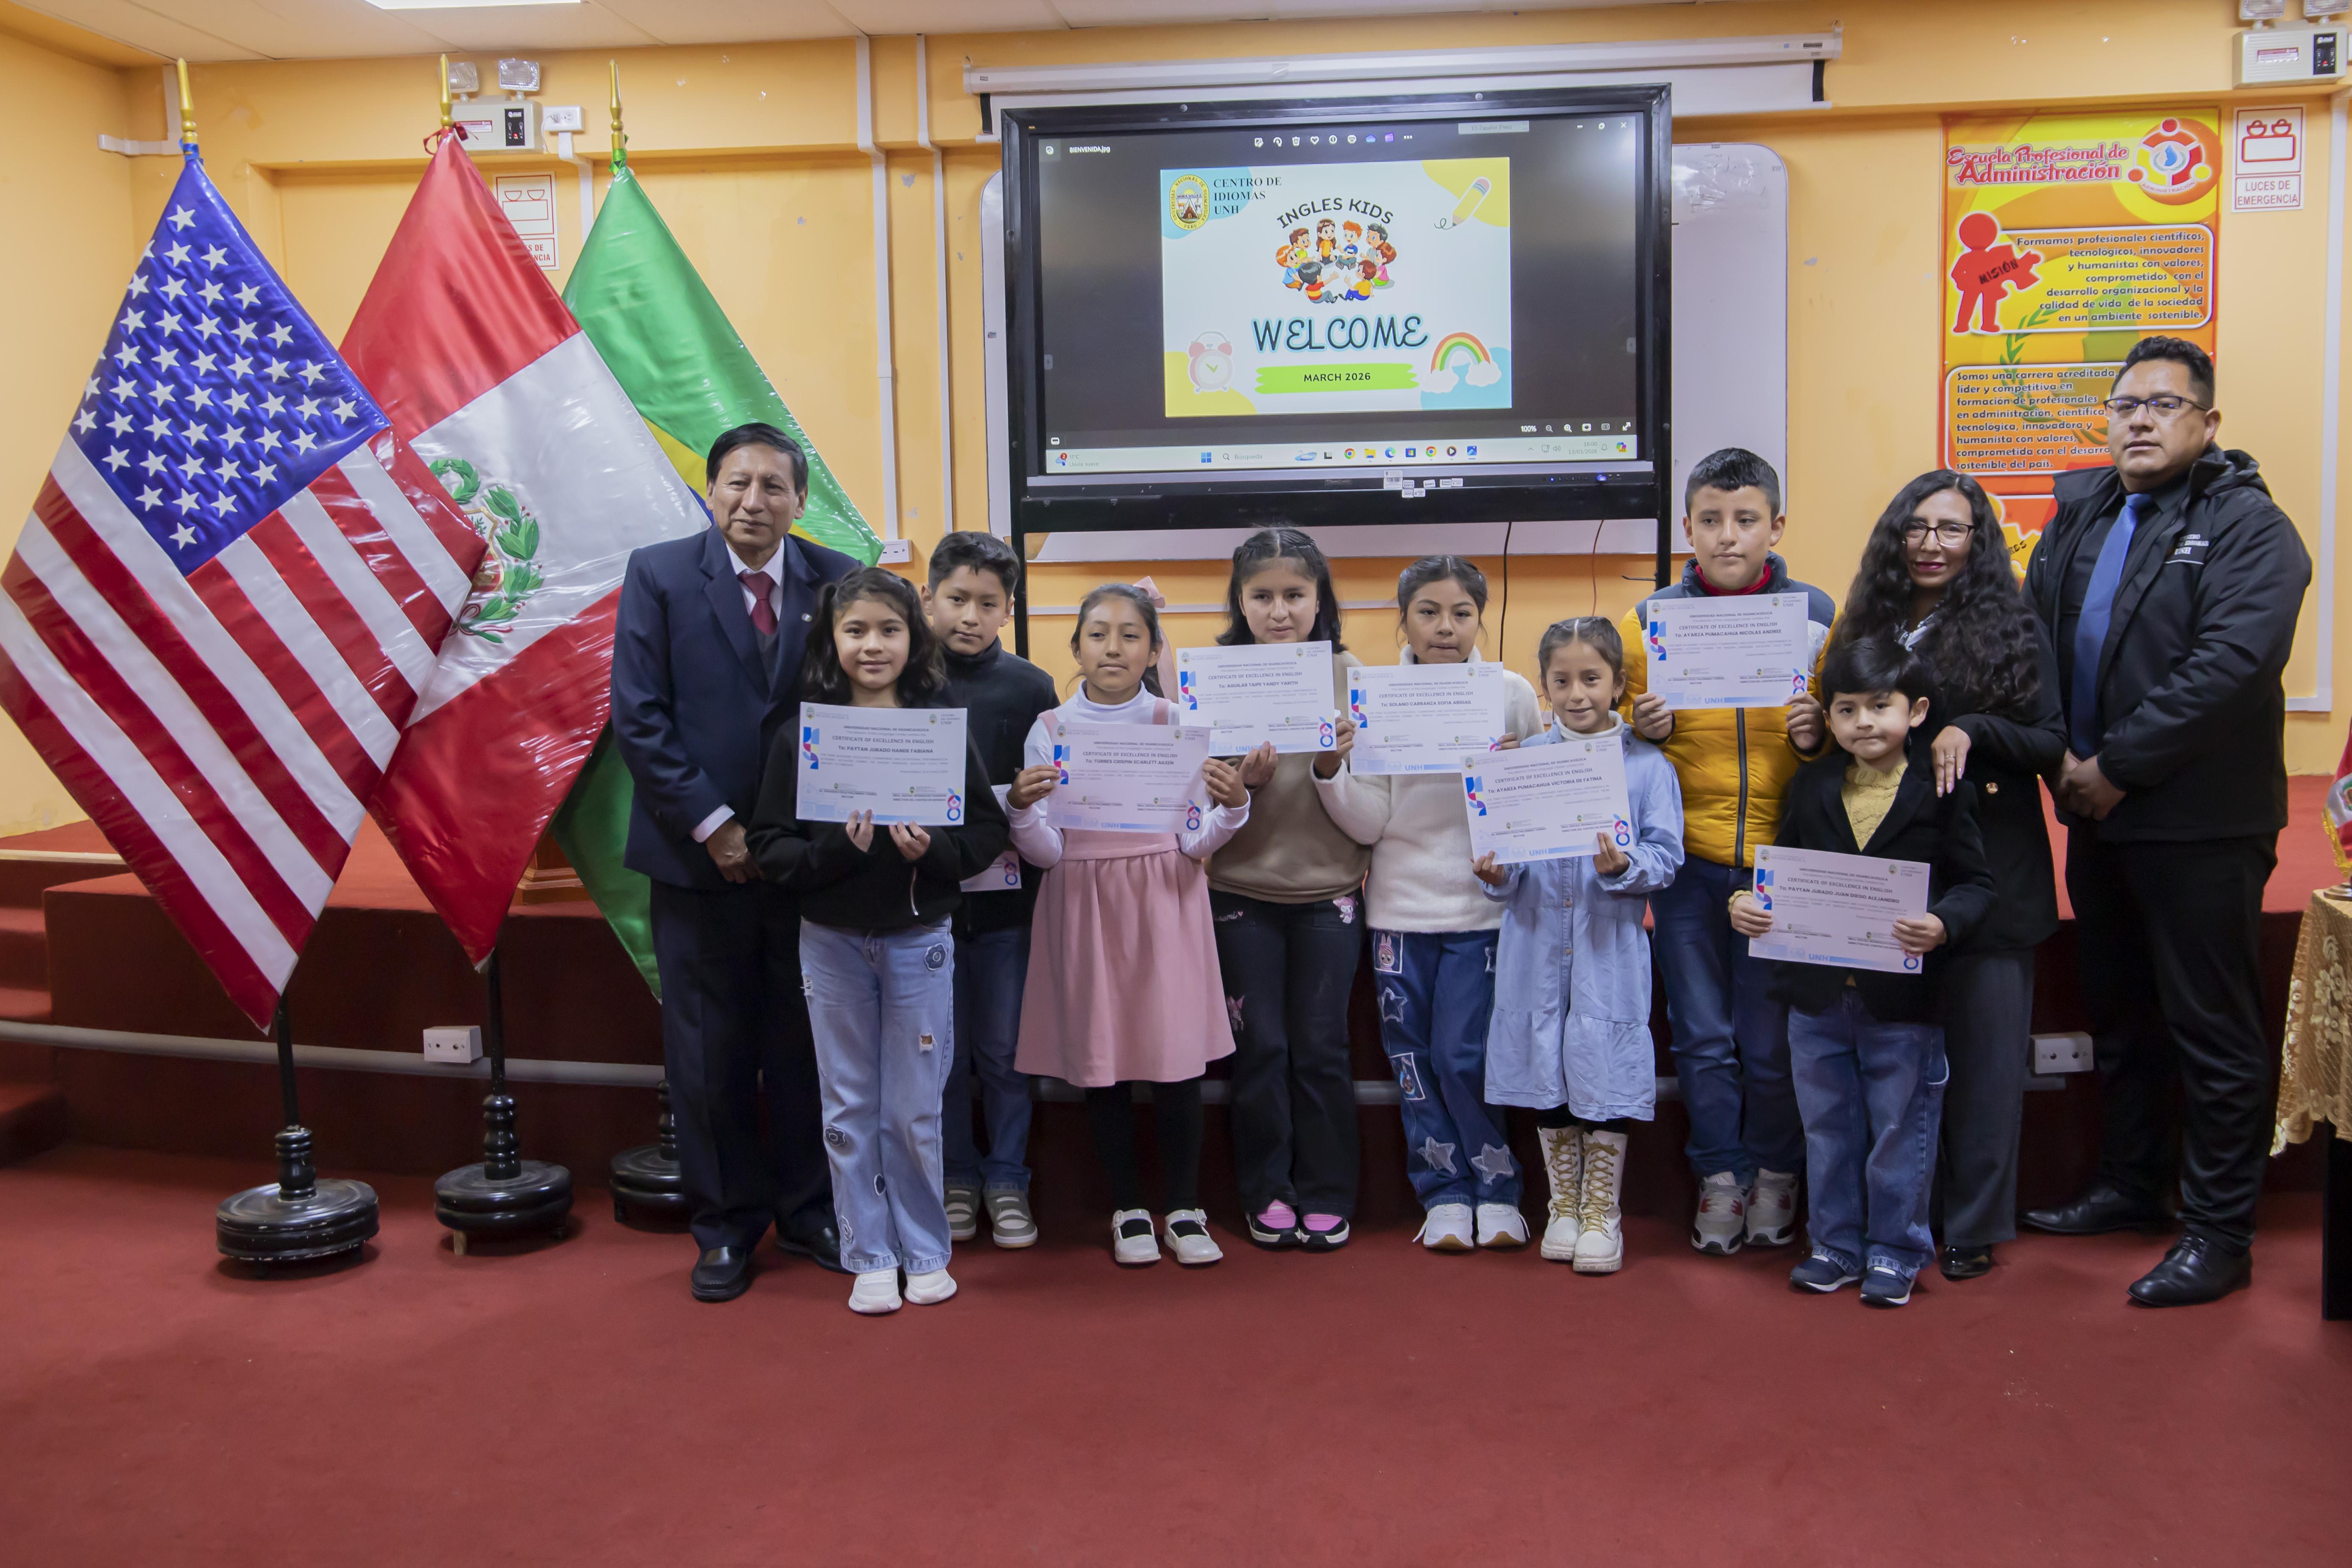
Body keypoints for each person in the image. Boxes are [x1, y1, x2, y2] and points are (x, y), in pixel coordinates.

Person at [2022, 335, 2312, 1307]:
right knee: (2120, 1016)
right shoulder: (2081, 512)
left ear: (2206, 423)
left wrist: (2114, 765)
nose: (2137, 420)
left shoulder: (2250, 527)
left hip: (2197, 822)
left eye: (2161, 404)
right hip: (2092, 814)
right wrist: (2060, 755)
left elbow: (2227, 669)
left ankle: (2219, 1232)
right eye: (2122, 405)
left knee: (2209, 1027)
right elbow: (2030, 642)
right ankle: (2128, 1185)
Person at [610, 423, 859, 1303]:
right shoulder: (661, 574)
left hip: (806, 865)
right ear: (710, 490)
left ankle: (808, 1210)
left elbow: (867, 706)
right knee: (708, 1057)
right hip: (696, 863)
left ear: (800, 500)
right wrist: (715, 826)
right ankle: (722, 1227)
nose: (753, 502)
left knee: (803, 1050)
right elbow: (639, 717)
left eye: (773, 488)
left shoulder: (839, 581)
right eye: (737, 484)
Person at [746, 570, 1009, 1315]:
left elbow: (987, 829)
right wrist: (835, 853)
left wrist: (936, 852)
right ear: (831, 640)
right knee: (848, 1103)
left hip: (918, 939)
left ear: (912, 637)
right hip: (830, 942)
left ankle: (926, 1250)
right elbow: (770, 845)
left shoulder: (936, 727)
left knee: (914, 1106)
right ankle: (868, 1252)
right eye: (855, 630)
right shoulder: (805, 734)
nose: (872, 645)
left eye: (889, 630)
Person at [1830, 471, 2063, 1282]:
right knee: (1896, 1071)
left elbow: (2051, 744)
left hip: (1992, 877)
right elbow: (1849, 734)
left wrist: (1972, 727)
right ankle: (1901, 1219)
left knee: (1987, 1068)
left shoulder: (2015, 625)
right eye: (1917, 527)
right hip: (1891, 884)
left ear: (1978, 542)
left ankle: (1972, 1226)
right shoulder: (1867, 620)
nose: (1932, 543)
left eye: (1952, 529)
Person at [1732, 635, 1995, 1307]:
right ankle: (1836, 1244)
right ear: (1830, 717)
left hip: (1904, 1001)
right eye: (1847, 710)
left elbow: (1977, 884)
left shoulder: (1940, 790)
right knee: (1826, 1130)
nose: (1865, 723)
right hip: (1816, 999)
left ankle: (1897, 1250)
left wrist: (1944, 923)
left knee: (1901, 1131)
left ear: (1918, 711)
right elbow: (1776, 869)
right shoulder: (1814, 783)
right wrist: (1748, 903)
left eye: (1882, 706)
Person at [1619, 448, 1833, 1256]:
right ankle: (1720, 1174)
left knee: (1771, 1042)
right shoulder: (1651, 622)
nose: (1728, 537)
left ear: (1776, 526)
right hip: (1689, 866)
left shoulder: (1816, 613)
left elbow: (1852, 733)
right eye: (1710, 520)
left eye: (1746, 520)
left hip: (1784, 864)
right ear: (1687, 528)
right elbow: (1620, 742)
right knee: (1702, 1036)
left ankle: (1778, 1172)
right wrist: (1643, 731)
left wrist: (1816, 741)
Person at [1010, 585, 1252, 1267]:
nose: (1112, 648)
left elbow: (1196, 841)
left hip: (1166, 899)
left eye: (1128, 635)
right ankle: (1126, 1208)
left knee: (1175, 1060)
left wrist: (1232, 811)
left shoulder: (1178, 721)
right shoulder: (1050, 727)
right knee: (1103, 1061)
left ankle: (1184, 1205)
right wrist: (1024, 815)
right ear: (1077, 647)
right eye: (1096, 634)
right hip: (1083, 901)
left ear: (1152, 648)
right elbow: (1048, 851)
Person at [1315, 557, 1544, 1252]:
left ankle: (1498, 1186)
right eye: (1428, 613)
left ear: (1481, 617)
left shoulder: (1510, 693)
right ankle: (1442, 1191)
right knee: (1411, 1059)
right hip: (1397, 913)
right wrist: (1330, 771)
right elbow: (1370, 823)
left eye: (1462, 613)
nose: (1446, 627)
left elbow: (1543, 809)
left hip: (1483, 913)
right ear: (1404, 619)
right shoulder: (1374, 695)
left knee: (1463, 1055)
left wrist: (1511, 775)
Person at [1478, 618, 1683, 1274]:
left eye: (1592, 678)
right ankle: (1562, 1206)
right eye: (1561, 680)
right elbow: (1506, 867)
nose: (1576, 694)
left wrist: (1624, 867)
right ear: (1544, 686)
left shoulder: (1649, 766)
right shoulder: (1519, 763)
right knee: (1547, 1065)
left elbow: (1668, 856)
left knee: (1600, 1065)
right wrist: (1496, 873)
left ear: (1619, 684)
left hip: (1608, 942)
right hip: (1536, 941)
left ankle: (1603, 1212)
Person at [1205, 528, 1373, 1251]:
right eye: (1263, 596)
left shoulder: (1352, 673)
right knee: (1262, 1048)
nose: (1280, 611)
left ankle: (1330, 1191)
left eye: (1295, 595)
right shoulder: (1211, 677)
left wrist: (1334, 765)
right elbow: (1188, 803)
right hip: (1239, 890)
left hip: (1330, 893)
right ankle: (1267, 1189)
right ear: (1240, 603)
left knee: (1322, 1047)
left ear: (1319, 600)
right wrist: (1235, 787)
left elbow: (1373, 794)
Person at [922, 532, 1059, 1251]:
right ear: (927, 598)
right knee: (942, 1054)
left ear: (1008, 610)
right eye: (956, 599)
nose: (969, 616)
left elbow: (1051, 793)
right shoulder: (900, 679)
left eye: (988, 603)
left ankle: (1007, 1177)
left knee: (1004, 1050)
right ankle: (954, 1177)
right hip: (923, 906)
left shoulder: (1032, 688)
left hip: (1008, 906)